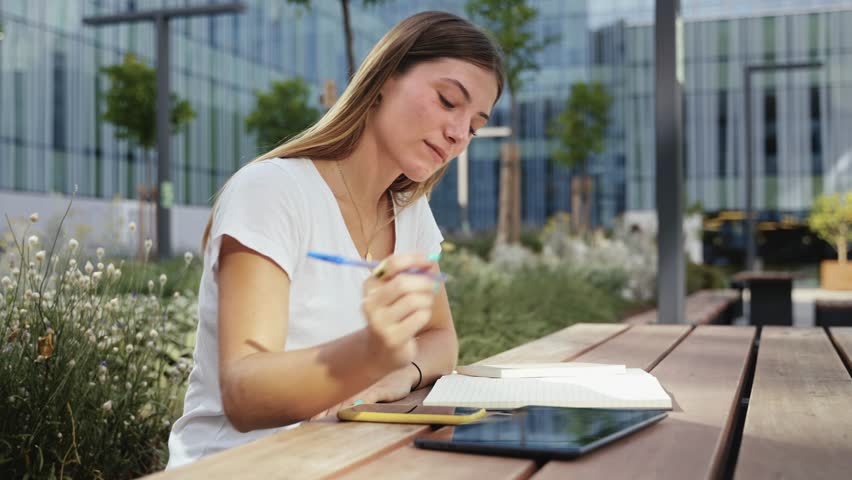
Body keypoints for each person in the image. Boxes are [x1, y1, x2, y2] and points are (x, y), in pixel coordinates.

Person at [166, 10, 504, 468]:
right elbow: (245, 393)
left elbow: (441, 337)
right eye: (448, 101)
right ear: (384, 78)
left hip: (340, 460)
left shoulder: (410, 214)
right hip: (239, 465)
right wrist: (369, 354)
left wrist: (398, 374)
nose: (458, 134)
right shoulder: (272, 191)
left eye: (475, 126)